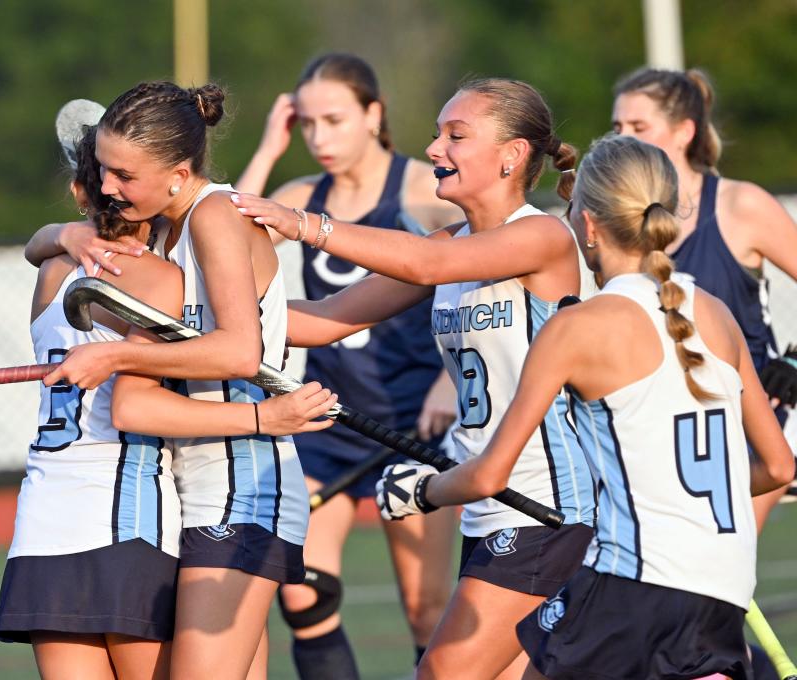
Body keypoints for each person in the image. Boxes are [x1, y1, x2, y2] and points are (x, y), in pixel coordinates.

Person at [377, 134, 796, 680]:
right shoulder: (713, 312)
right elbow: (780, 467)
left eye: (572, 212)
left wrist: (418, 490)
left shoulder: (578, 326)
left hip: (631, 582)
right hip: (723, 587)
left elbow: (489, 476)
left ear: (591, 226)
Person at [233, 77, 596, 680]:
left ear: (512, 155)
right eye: (436, 134)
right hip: (491, 509)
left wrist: (303, 224)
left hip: (550, 508)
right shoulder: (451, 243)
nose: (434, 149)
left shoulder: (541, 236)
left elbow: (426, 264)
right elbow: (324, 321)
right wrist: (204, 315)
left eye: (456, 135)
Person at [0, 105, 334, 680]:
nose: (111, 186)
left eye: (122, 175)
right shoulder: (162, 277)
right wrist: (266, 417)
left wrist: (61, 234)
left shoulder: (52, 269)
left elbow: (40, 245)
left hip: (45, 519)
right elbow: (142, 399)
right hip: (130, 517)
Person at [233, 53, 461, 677]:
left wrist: (451, 376)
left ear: (374, 114)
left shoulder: (425, 191)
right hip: (330, 422)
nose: (319, 137)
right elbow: (219, 235)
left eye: (334, 120)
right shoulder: (301, 197)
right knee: (302, 593)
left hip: (414, 423)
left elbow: (485, 272)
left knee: (425, 608)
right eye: (307, 124)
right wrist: (267, 154)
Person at [612, 67, 797, 526]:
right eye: (617, 128)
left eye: (639, 127)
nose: (624, 138)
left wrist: (793, 365)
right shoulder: (616, 217)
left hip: (749, 420)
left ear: (684, 132)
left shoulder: (740, 205)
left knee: (720, 573)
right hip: (662, 421)